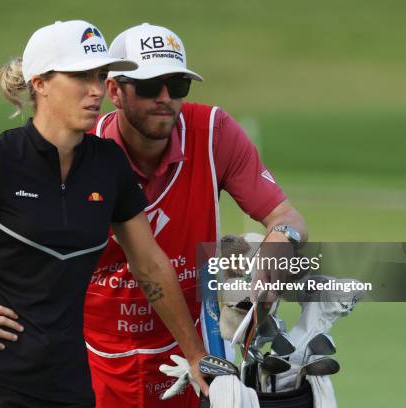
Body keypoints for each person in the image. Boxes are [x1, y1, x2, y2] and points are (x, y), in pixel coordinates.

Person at [0, 20, 209, 408]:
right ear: (40, 83)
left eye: (101, 76)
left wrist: (195, 354)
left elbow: (149, 264)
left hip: (68, 386)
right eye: (81, 76)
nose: (96, 90)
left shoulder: (107, 164)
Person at [83, 23, 308, 407]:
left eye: (178, 85)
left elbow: (285, 215)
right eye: (151, 86)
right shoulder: (84, 148)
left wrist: (281, 240)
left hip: (195, 351)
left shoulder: (212, 132)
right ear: (115, 91)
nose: (166, 98)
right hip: (94, 352)